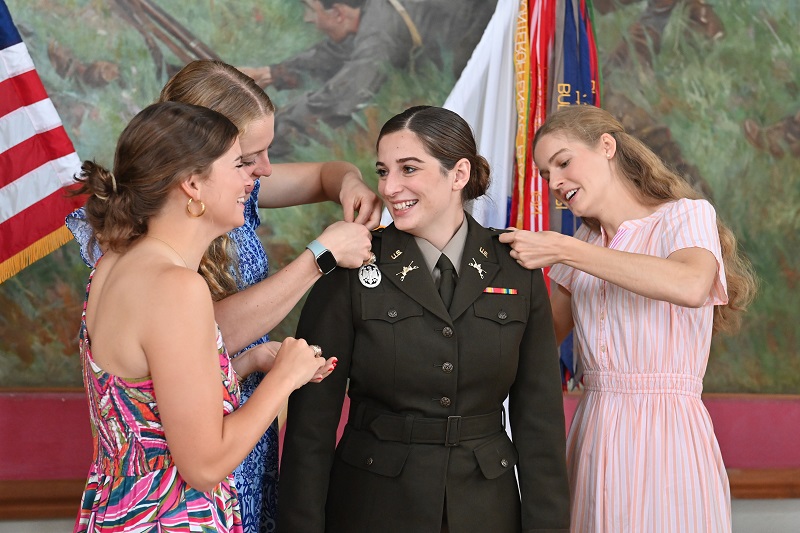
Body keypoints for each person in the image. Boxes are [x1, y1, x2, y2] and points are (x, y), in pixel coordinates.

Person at [66, 59, 378, 533]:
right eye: (241, 164)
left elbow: (144, 398)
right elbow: (205, 466)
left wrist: (251, 364)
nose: (254, 180)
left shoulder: (115, 264)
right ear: (192, 183)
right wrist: (286, 378)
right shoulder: (177, 287)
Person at [277, 105, 570, 533]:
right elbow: (310, 429)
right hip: (372, 506)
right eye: (382, 171)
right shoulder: (351, 266)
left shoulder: (517, 269)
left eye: (408, 169)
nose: (390, 188)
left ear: (459, 174)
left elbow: (539, 422)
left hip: (485, 508)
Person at [499, 104, 757, 532]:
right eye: (546, 175)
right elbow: (538, 349)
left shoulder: (685, 216)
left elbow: (691, 285)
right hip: (595, 430)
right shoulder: (584, 240)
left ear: (606, 146)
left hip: (669, 435)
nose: (556, 184)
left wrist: (565, 250)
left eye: (563, 163)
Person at [240, 0, 498, 157]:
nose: (309, 19)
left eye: (311, 9)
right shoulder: (372, 11)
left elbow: (345, 96)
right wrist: (272, 73)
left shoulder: (380, 33)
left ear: (338, 13)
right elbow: (343, 50)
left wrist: (264, 134)